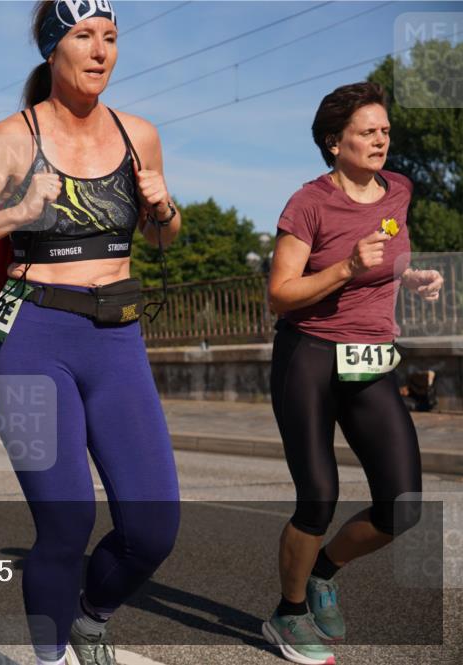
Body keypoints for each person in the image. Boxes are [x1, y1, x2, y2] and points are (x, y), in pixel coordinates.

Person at [0, 3, 182, 663]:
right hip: (35, 338)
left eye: (110, 38)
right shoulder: (12, 138)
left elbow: (161, 235)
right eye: (83, 37)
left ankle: (92, 615)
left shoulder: (140, 135)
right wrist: (17, 209)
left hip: (118, 338)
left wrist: (165, 210)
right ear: (52, 49)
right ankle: (51, 655)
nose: (100, 51)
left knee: (153, 529)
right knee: (67, 522)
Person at [263, 81, 443, 665]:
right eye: (367, 131)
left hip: (370, 360)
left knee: (404, 504)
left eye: (384, 130)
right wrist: (344, 267)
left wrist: (410, 276)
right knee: (318, 495)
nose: (380, 140)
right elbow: (280, 295)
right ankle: (287, 617)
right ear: (333, 141)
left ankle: (323, 570)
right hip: (308, 356)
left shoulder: (399, 190)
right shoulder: (308, 203)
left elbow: (395, 250)